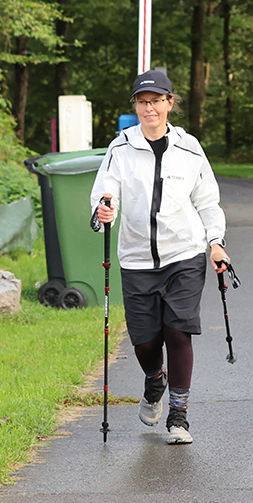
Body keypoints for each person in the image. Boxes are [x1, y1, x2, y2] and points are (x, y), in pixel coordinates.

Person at [90, 70, 229, 445]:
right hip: (136, 258)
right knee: (146, 342)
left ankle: (179, 415)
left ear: (170, 102)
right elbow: (104, 195)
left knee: (177, 330)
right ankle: (155, 380)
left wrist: (215, 242)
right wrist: (103, 212)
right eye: (142, 102)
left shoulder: (189, 148)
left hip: (184, 253)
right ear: (135, 106)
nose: (148, 108)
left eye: (155, 101)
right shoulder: (120, 148)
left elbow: (207, 201)